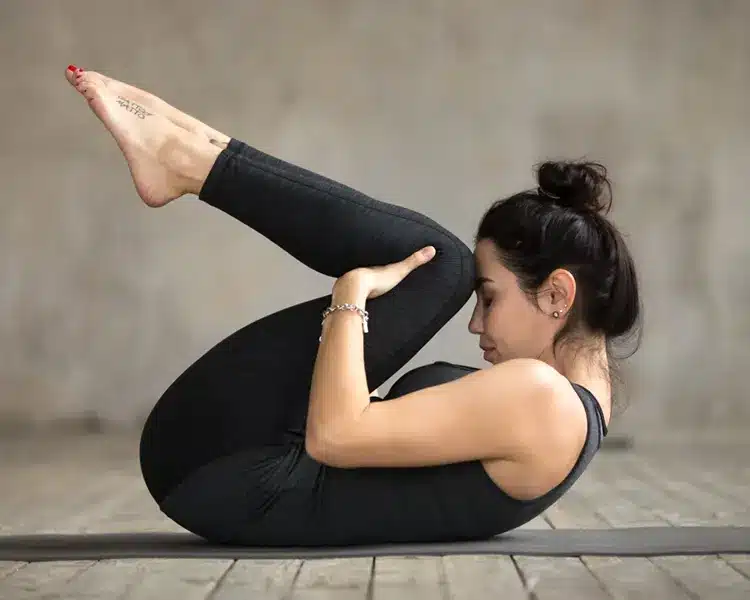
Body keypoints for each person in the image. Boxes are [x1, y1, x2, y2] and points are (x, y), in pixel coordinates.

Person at [64, 64, 641, 547]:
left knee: (445, 266)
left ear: (558, 295)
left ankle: (195, 158)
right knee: (446, 266)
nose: (475, 322)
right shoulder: (581, 409)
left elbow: (334, 437)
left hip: (221, 465)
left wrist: (350, 297)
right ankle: (197, 152)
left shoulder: (545, 401)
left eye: (489, 299)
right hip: (218, 470)